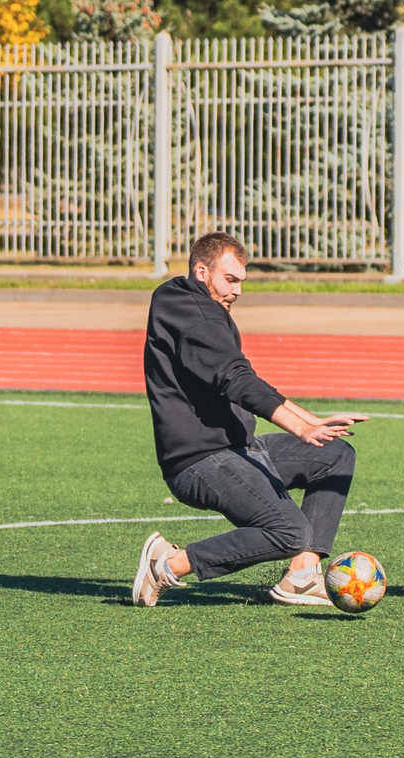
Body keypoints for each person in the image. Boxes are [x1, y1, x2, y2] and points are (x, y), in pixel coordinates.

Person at [131, 232, 368, 607]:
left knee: (334, 456)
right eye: (230, 279)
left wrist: (312, 422)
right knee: (289, 532)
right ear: (201, 272)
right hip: (199, 461)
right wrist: (300, 427)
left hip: (240, 447)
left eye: (242, 281)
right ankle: (168, 564)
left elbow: (247, 379)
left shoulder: (198, 306)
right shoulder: (190, 312)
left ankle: (302, 576)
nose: (238, 290)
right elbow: (235, 380)